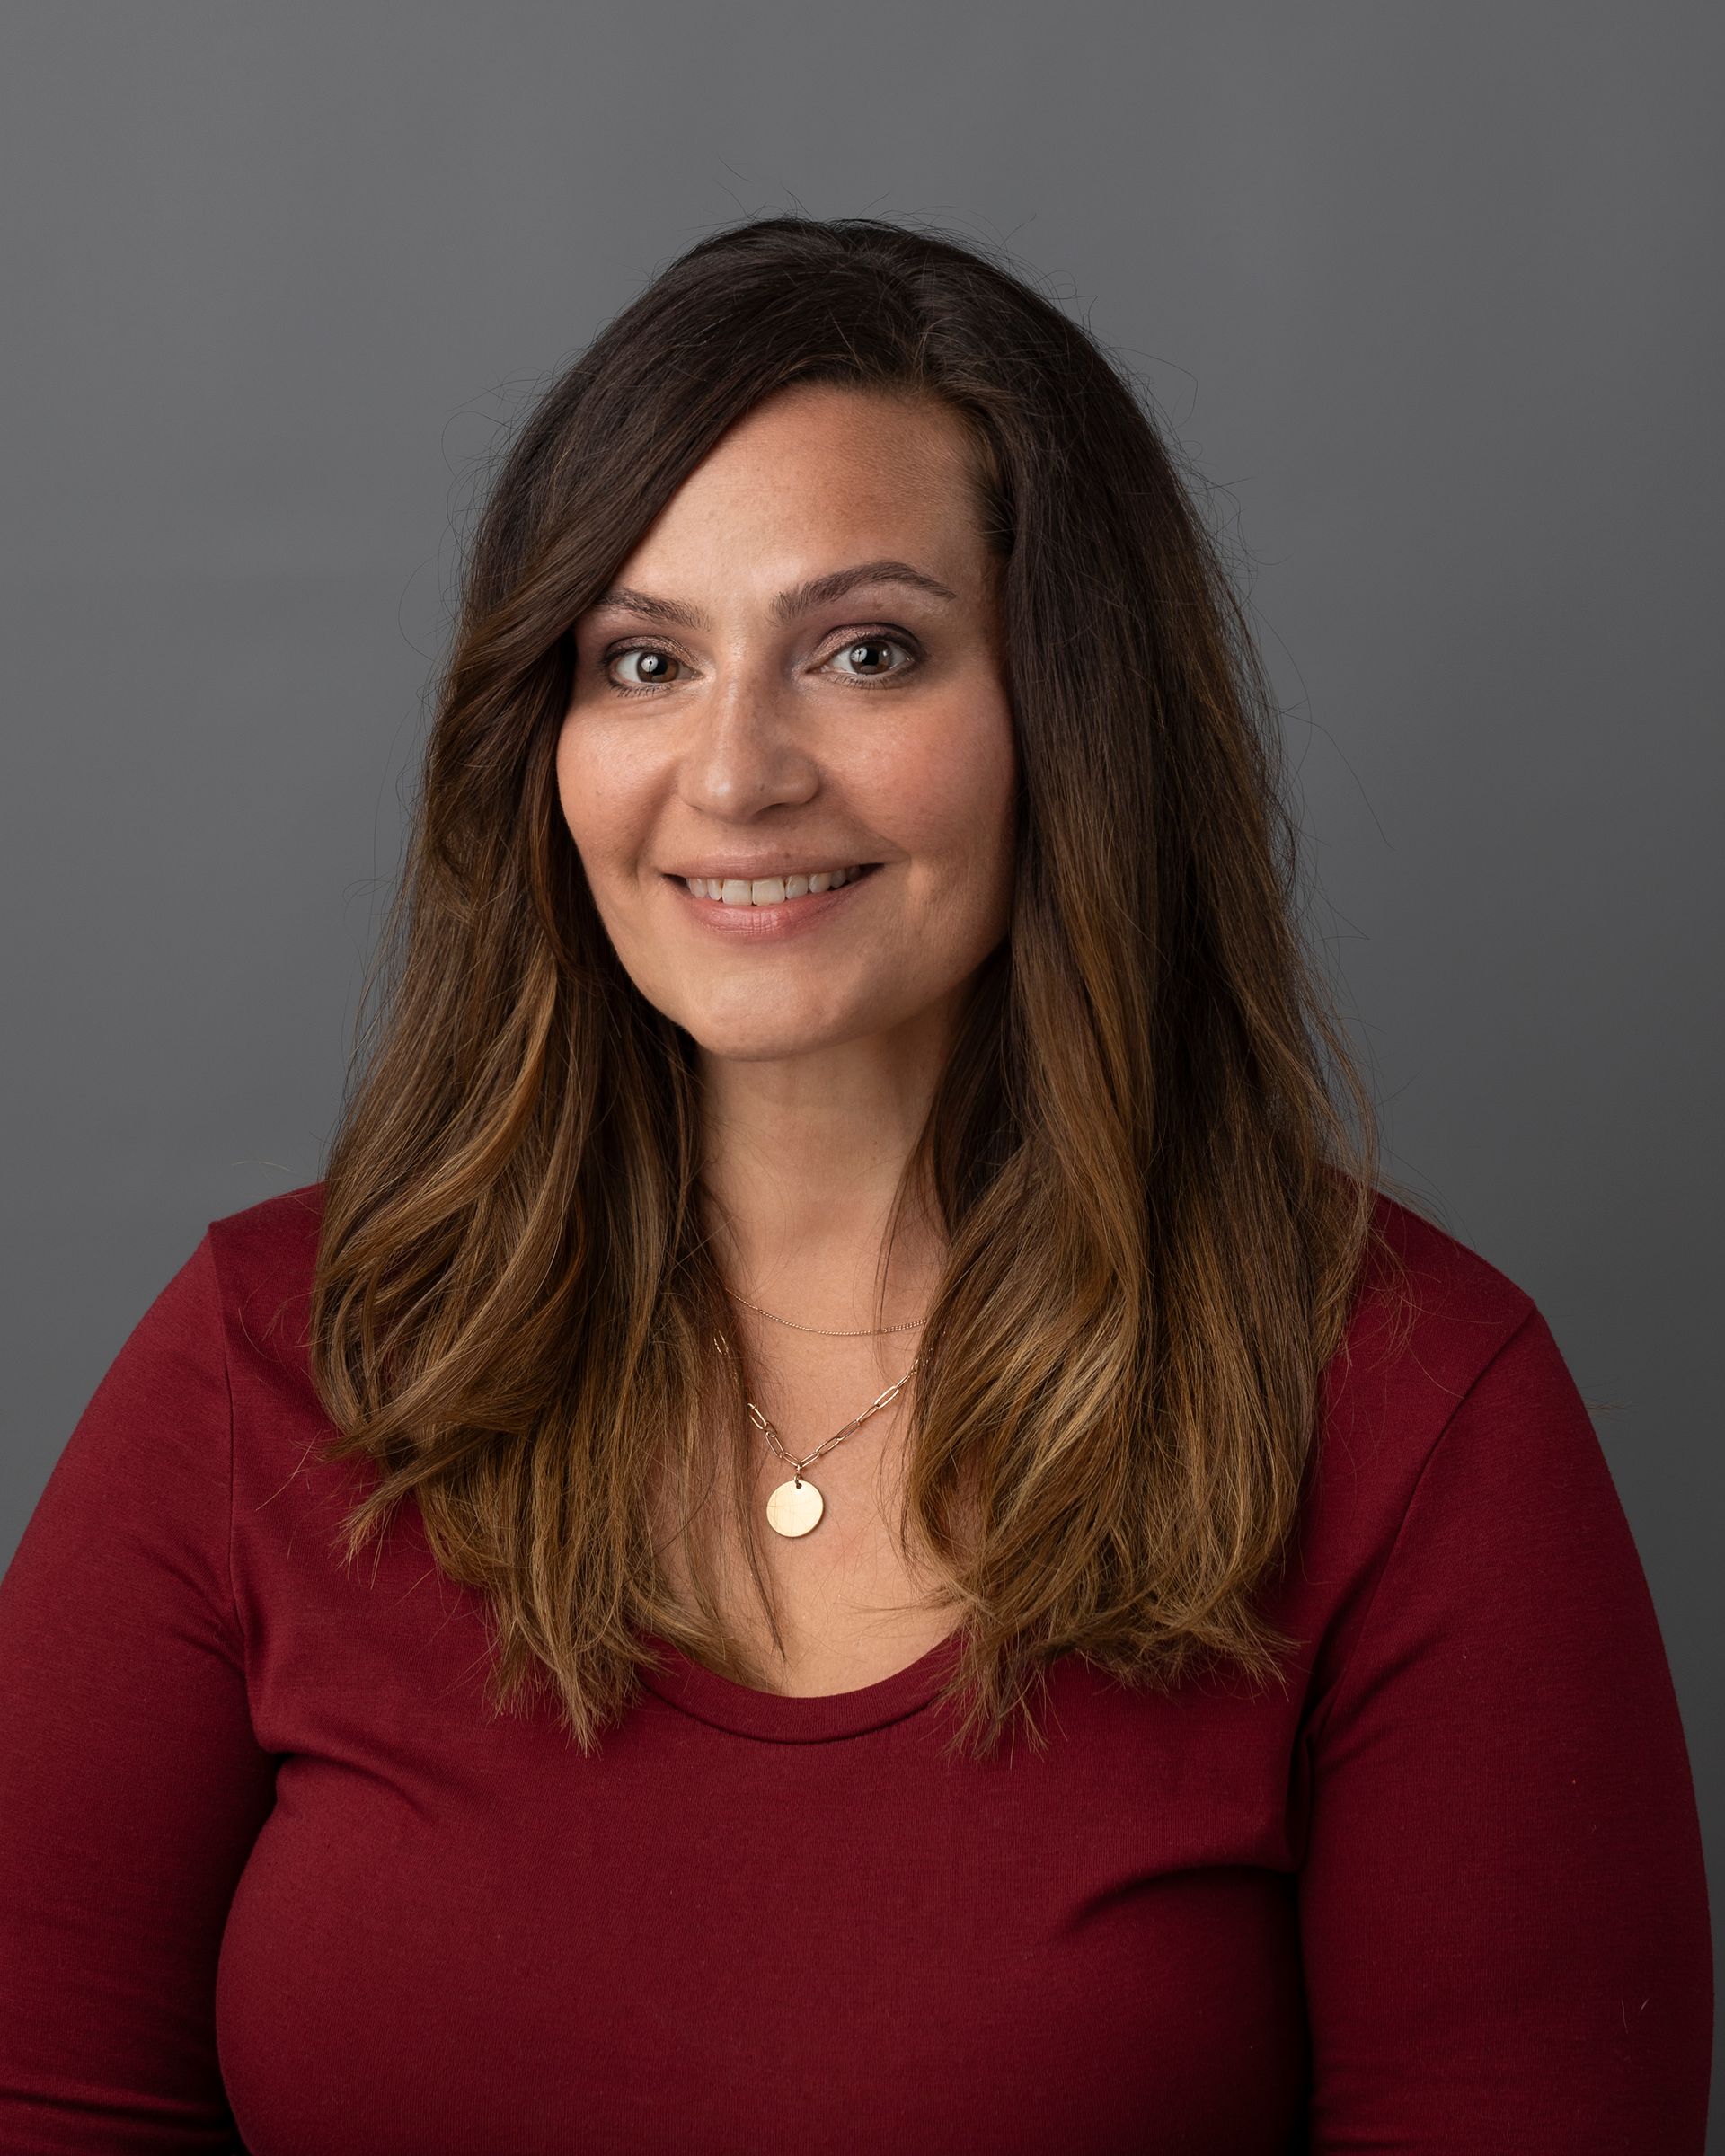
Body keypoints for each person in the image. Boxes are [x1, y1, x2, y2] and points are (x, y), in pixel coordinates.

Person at [0, 214, 1711, 2152]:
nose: (734, 773)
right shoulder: (272, 1365)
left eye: (866, 651)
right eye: (642, 659)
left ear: (1071, 712)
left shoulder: (1414, 1420)